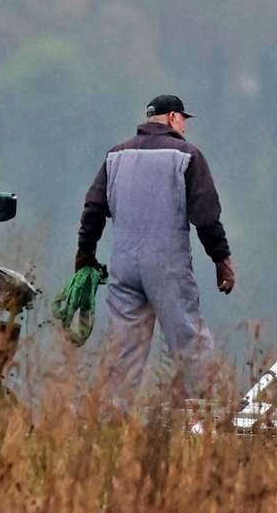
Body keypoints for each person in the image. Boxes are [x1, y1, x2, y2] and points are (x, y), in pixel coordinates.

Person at [76, 93, 234, 404]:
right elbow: (206, 216)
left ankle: (110, 421)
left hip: (124, 264)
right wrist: (221, 259)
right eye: (183, 120)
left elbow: (93, 209)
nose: (185, 127)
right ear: (174, 117)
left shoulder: (115, 155)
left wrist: (84, 255)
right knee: (188, 338)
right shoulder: (187, 155)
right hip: (166, 264)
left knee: (123, 348)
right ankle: (205, 414)